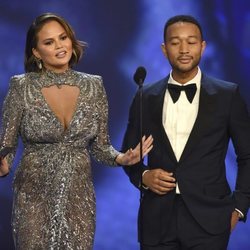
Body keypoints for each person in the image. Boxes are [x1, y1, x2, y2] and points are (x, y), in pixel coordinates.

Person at [0, 13, 153, 249]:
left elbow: (101, 147)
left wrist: (122, 158)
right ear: (36, 52)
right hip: (32, 197)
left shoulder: (94, 85)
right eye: (49, 42)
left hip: (78, 197)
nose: (60, 46)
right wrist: (4, 164)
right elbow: (7, 145)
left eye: (63, 37)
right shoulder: (20, 86)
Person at [122, 15, 250, 250]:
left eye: (191, 42)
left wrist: (239, 209)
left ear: (203, 46)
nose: (183, 49)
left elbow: (247, 155)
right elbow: (128, 155)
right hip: (157, 221)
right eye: (175, 42)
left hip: (210, 220)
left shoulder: (228, 95)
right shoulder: (145, 96)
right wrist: (143, 176)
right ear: (163, 49)